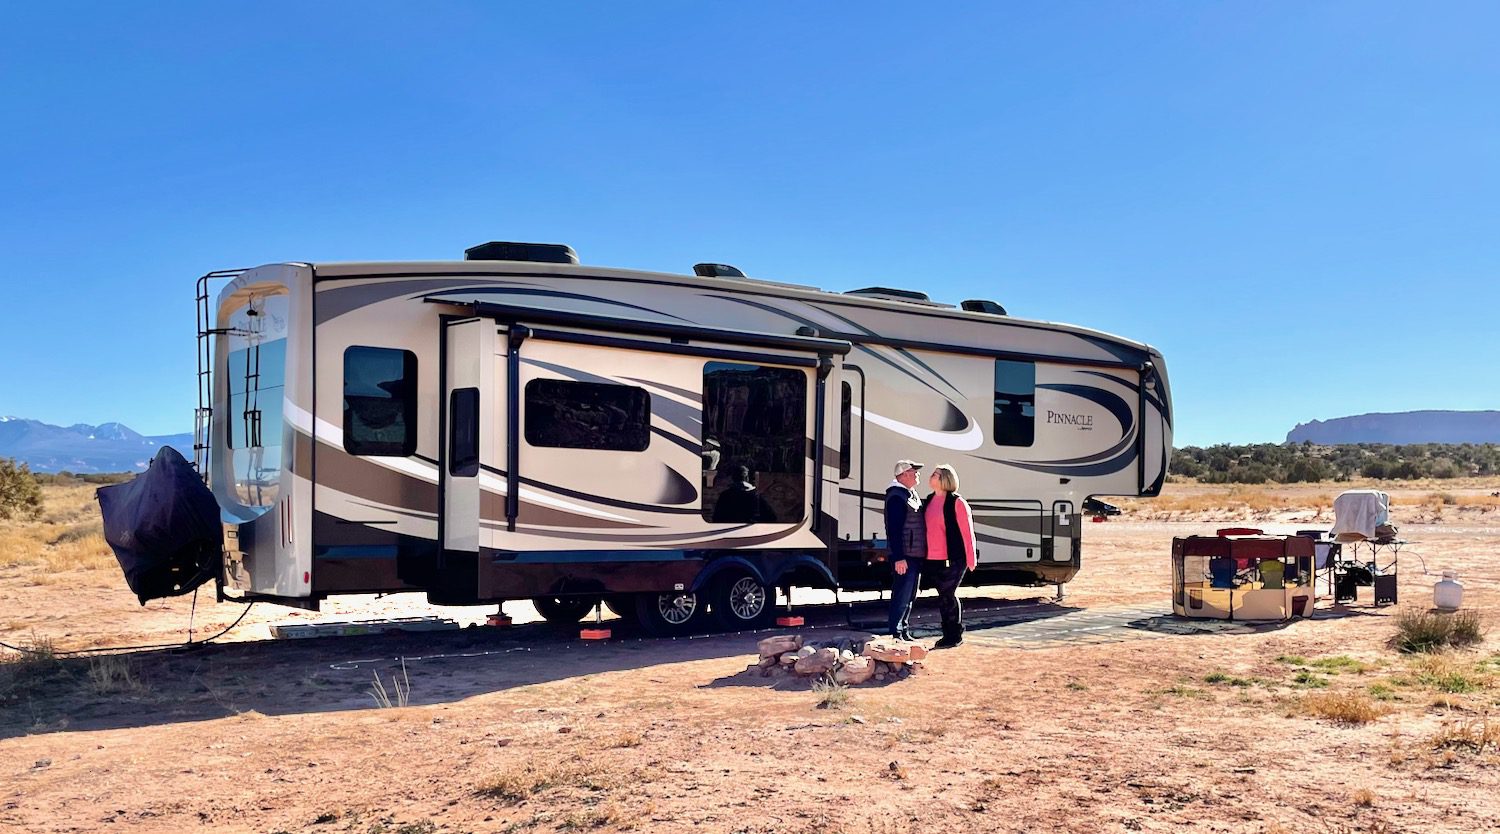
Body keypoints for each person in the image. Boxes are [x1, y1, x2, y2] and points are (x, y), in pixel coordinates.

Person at [921, 464, 976, 648]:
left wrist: (971, 558)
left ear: (944, 479)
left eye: (935, 474)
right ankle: (948, 634)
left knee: (948, 594)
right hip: (932, 558)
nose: (931, 476)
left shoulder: (957, 502)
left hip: (954, 558)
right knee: (943, 596)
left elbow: (967, 532)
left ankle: (954, 634)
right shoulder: (929, 500)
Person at [884, 459, 926, 641]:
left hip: (915, 554)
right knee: (901, 595)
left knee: (910, 596)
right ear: (904, 475)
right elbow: (893, 529)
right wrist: (899, 557)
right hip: (905, 556)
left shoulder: (910, 494)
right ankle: (895, 631)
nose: (917, 474)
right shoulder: (896, 496)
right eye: (914, 471)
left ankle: (904, 629)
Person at [711, 465, 778, 523]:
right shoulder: (755, 496)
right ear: (747, 478)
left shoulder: (725, 495)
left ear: (733, 478)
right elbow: (771, 517)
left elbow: (716, 518)